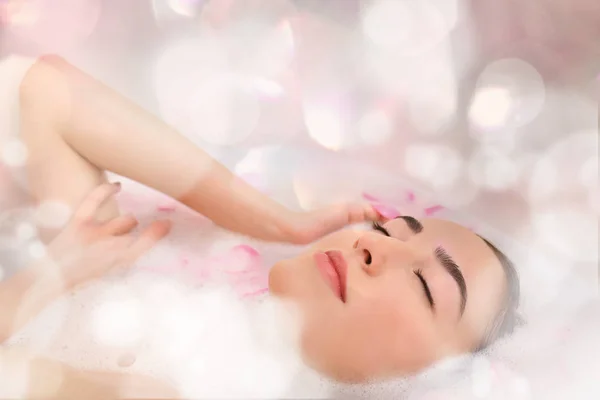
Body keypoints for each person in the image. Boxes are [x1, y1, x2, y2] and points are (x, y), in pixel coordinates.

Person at [0, 55, 521, 397]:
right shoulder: (179, 318)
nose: (369, 247)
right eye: (386, 231)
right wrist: (280, 222)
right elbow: (45, 92)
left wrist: (48, 278)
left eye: (424, 285)